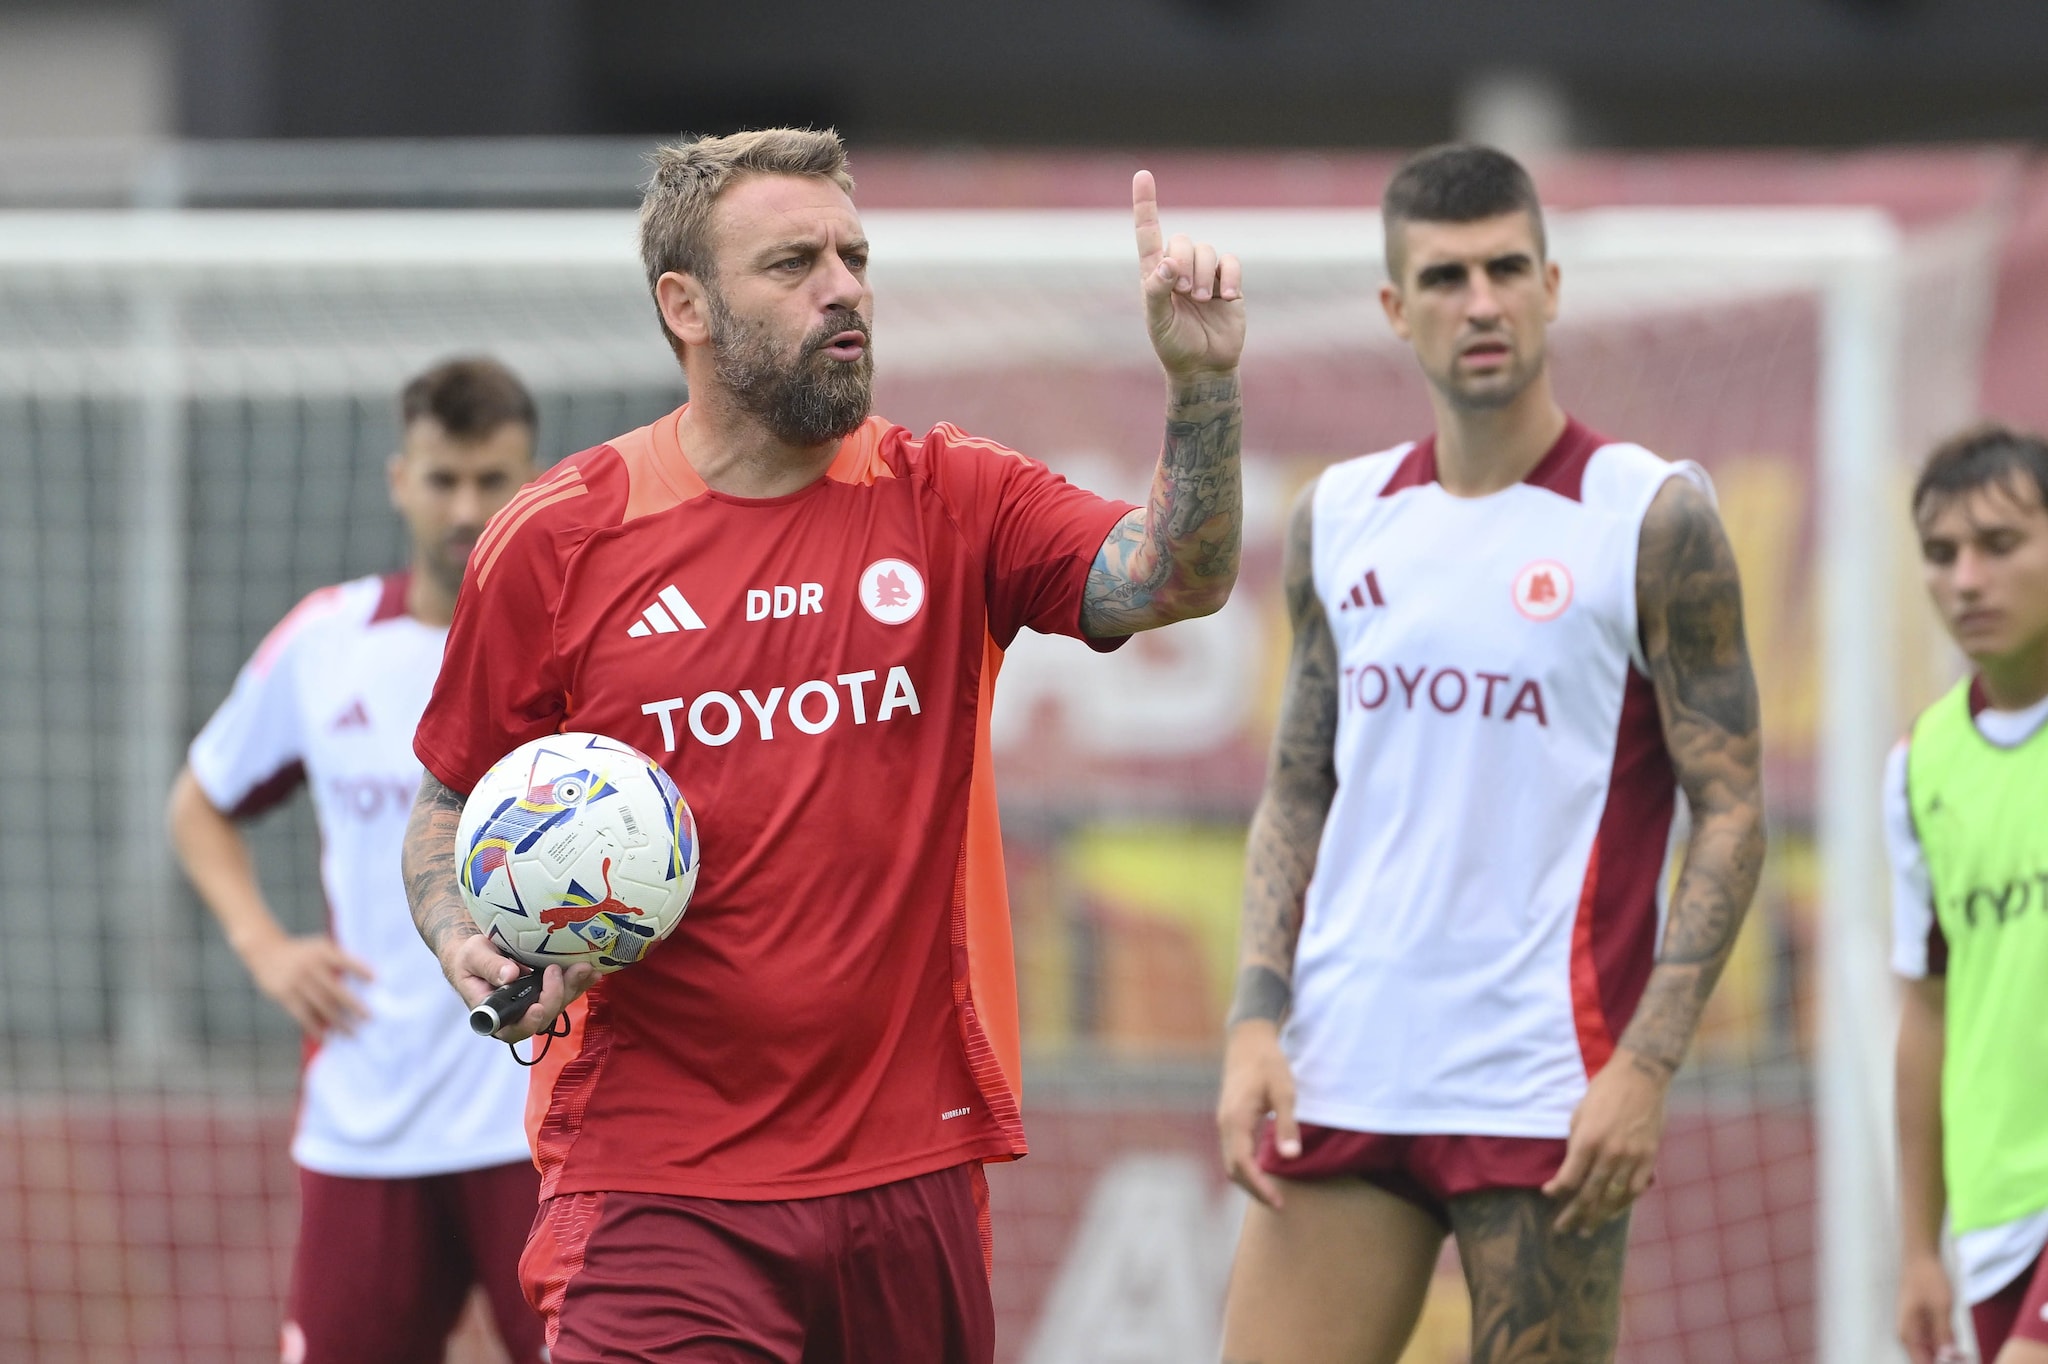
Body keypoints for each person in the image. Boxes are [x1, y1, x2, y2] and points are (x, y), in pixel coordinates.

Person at [398, 128, 1244, 1363]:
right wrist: (459, 931)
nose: (843, 287)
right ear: (682, 306)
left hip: (913, 1170)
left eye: (853, 255)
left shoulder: (948, 494)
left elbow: (1173, 576)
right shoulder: (557, 538)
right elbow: (448, 798)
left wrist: (1202, 384)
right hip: (654, 1184)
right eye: (794, 263)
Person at [1214, 143, 1765, 1364]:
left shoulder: (1650, 513)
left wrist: (1645, 1066)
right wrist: (1255, 1021)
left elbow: (1730, 809)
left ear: (1551, 286)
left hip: (1542, 1088)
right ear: (1393, 309)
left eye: (1507, 269)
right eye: (1447, 276)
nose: (1481, 302)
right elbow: (1299, 779)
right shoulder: (1342, 514)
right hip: (1342, 1065)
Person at [166, 359, 547, 1364]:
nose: (466, 506)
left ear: (531, 480)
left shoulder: (571, 643)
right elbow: (199, 801)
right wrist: (262, 945)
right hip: (366, 1116)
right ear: (398, 479)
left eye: (491, 479)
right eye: (443, 478)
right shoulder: (325, 641)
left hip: (538, 1119)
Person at [1890, 427, 2048, 1364]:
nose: (1966, 579)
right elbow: (1928, 1010)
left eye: (2000, 544)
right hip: (1996, 1221)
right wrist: (1918, 1247)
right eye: (1942, 554)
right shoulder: (1920, 768)